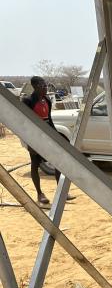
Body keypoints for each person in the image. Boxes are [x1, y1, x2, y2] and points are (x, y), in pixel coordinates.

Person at [22, 76, 69, 205]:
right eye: (43, 86)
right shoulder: (28, 100)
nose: (46, 87)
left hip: (47, 134)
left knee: (58, 162)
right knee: (35, 164)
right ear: (35, 86)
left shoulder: (47, 99)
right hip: (34, 136)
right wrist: (29, 142)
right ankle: (39, 193)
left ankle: (61, 192)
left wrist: (56, 136)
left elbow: (49, 119)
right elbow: (24, 123)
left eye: (46, 85)